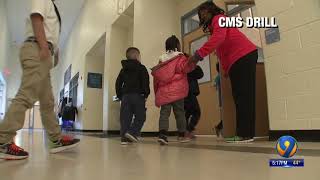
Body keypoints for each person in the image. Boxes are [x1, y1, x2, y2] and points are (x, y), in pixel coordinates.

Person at [0, 0, 80, 160]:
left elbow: (50, 33)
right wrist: (44, 46)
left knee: (47, 102)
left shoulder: (53, 8)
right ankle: (3, 141)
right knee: (27, 94)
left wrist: (52, 52)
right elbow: (37, 17)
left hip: (43, 52)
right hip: (37, 48)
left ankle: (56, 139)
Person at [188, 1, 258, 143]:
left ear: (211, 10)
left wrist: (198, 55)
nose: (203, 14)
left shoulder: (219, 18)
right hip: (238, 59)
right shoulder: (215, 25)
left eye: (205, 11)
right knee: (240, 96)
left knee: (244, 96)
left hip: (243, 55)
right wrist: (225, 69)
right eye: (201, 13)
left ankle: (245, 134)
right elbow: (220, 51)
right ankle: (245, 133)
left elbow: (218, 40)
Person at [151, 35, 196, 145]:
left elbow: (158, 76)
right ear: (177, 45)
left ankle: (162, 135)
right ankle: (181, 135)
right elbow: (185, 69)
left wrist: (156, 91)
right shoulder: (180, 57)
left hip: (164, 92)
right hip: (178, 91)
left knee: (164, 114)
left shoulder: (161, 58)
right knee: (179, 112)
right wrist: (192, 61)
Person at [116, 47, 150, 145]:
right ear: (136, 56)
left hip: (125, 96)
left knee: (125, 117)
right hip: (138, 96)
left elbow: (118, 83)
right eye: (139, 55)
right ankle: (132, 132)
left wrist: (120, 95)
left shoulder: (123, 69)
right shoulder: (141, 68)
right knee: (141, 116)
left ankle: (124, 138)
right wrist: (146, 93)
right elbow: (145, 81)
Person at [184, 65, 204, 138]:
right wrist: (194, 65)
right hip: (190, 92)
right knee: (196, 112)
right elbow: (200, 74)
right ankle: (189, 130)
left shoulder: (178, 66)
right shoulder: (190, 67)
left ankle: (185, 131)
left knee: (186, 113)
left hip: (182, 92)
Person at [214, 62, 223, 137]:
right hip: (223, 99)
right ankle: (219, 127)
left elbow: (215, 86)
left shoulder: (217, 77)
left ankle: (219, 127)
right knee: (226, 115)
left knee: (225, 115)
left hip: (221, 99)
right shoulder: (221, 76)